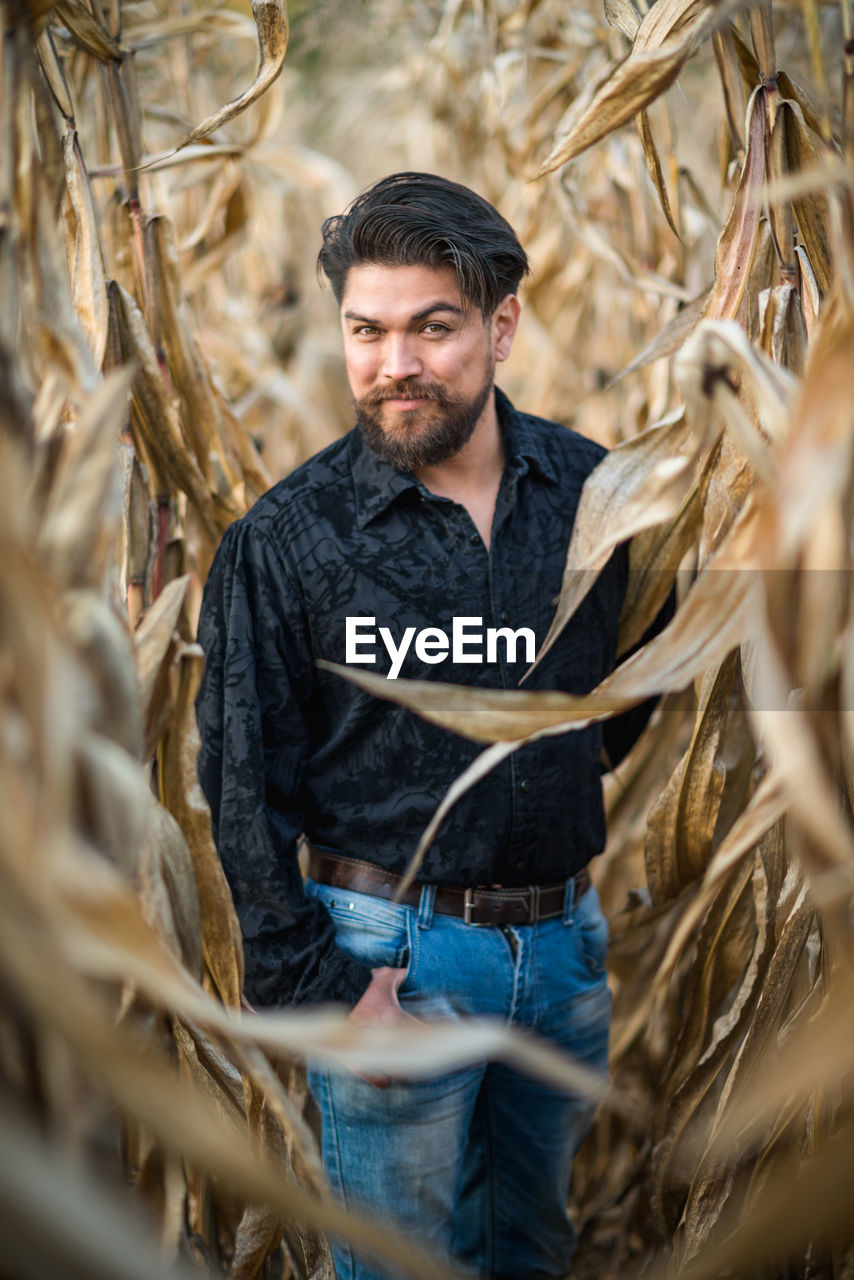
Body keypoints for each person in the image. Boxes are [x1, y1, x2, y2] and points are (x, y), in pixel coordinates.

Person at [196, 172, 667, 1280]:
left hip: (558, 957)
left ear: (502, 325)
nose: (392, 363)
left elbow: (630, 695)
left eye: (431, 327)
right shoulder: (288, 540)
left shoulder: (591, 499)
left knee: (531, 1252)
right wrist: (333, 994)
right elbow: (239, 790)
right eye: (366, 330)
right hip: (387, 966)